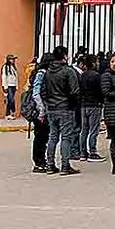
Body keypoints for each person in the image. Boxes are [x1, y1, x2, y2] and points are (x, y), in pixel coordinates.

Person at [43, 46, 81, 176]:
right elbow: (75, 91)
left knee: (53, 137)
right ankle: (65, 165)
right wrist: (73, 105)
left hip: (51, 108)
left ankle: (50, 165)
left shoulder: (48, 72)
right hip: (65, 108)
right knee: (66, 137)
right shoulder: (68, 71)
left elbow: (44, 91)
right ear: (65, 56)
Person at [25, 54, 53, 173]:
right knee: (40, 137)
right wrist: (42, 111)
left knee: (43, 137)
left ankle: (41, 161)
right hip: (39, 111)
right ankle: (39, 162)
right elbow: (36, 93)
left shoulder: (40, 72)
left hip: (42, 110)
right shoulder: (41, 73)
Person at [78, 55, 105, 162]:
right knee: (94, 129)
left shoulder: (82, 75)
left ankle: (82, 152)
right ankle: (92, 151)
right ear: (93, 63)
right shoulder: (97, 76)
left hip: (84, 105)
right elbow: (100, 91)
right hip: (94, 105)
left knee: (84, 129)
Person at [1, 55, 19, 120]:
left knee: (9, 100)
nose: (13, 60)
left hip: (13, 85)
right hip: (8, 86)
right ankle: (12, 111)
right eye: (11, 59)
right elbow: (4, 77)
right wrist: (5, 86)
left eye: (13, 59)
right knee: (11, 100)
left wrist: (16, 86)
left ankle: (8, 114)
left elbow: (16, 78)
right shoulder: (5, 67)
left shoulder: (13, 67)